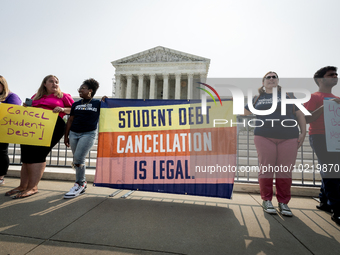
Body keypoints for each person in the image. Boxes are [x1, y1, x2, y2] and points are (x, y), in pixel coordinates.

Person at [244, 71, 306, 216]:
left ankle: (283, 203)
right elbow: (243, 112)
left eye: (274, 77)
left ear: (277, 81)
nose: (271, 79)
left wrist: (303, 132)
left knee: (285, 170)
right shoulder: (257, 98)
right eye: (268, 77)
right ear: (263, 82)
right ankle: (267, 200)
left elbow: (299, 114)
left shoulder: (288, 96)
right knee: (266, 169)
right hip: (264, 136)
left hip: (289, 137)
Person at [5, 75, 74, 198]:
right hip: (32, 128)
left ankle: (33, 187)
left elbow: (75, 109)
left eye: (57, 82)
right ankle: (23, 186)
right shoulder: (36, 96)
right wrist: (26, 107)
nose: (55, 84)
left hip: (52, 127)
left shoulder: (63, 96)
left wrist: (63, 109)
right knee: (26, 156)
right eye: (51, 81)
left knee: (38, 155)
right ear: (44, 83)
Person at [304, 66, 340, 225]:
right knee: (331, 170)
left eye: (336, 74)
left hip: (336, 138)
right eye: (331, 74)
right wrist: (326, 106)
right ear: (320, 80)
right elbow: (307, 119)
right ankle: (337, 209)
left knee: (330, 169)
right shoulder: (313, 97)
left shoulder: (337, 98)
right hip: (319, 136)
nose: (335, 76)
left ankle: (324, 201)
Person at [63, 78, 100, 198]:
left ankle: (79, 184)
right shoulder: (76, 104)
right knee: (78, 160)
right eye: (79, 88)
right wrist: (66, 136)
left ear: (90, 90)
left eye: (82, 88)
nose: (80, 90)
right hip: (74, 133)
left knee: (78, 158)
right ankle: (82, 183)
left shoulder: (98, 103)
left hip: (88, 134)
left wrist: (106, 100)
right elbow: (70, 120)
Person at [0, 75, 22, 185]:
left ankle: (0, 177)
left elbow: (16, 112)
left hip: (3, 130)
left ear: (3, 85)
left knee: (1, 152)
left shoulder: (11, 96)